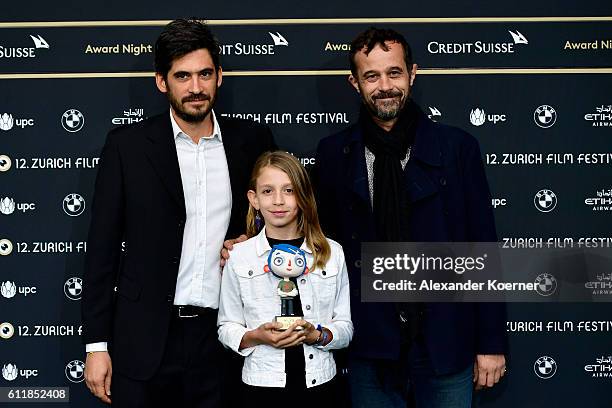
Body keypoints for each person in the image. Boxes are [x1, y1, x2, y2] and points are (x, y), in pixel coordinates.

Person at [81, 19, 276, 407]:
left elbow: (277, 222)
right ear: (161, 81)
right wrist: (96, 345)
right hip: (145, 340)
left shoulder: (251, 140)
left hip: (226, 335)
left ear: (219, 76)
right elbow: (101, 251)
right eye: (182, 76)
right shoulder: (128, 147)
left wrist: (250, 243)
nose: (196, 88)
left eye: (205, 74)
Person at [313, 27, 508, 407]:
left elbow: (482, 247)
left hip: (445, 340)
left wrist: (491, 343)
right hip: (370, 344)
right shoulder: (334, 154)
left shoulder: (457, 148)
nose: (385, 86)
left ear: (412, 74)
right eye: (372, 76)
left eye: (394, 73)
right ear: (354, 83)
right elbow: (322, 247)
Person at [217, 151, 353, 407]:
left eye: (289, 190)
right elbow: (226, 327)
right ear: (253, 199)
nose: (278, 201)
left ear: (303, 196)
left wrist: (317, 336)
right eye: (267, 191)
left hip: (321, 386)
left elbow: (345, 327)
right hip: (261, 388)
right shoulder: (240, 256)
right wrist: (257, 336)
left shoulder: (332, 252)